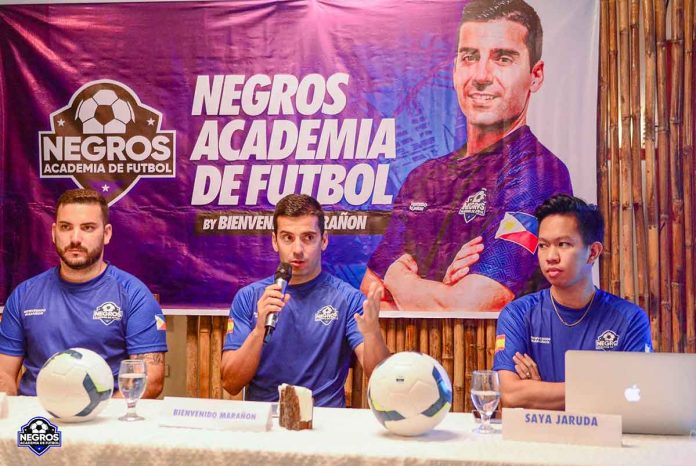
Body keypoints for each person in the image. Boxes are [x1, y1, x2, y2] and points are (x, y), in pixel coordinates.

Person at [361, 0, 572, 312]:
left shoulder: (538, 172)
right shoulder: (423, 177)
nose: (481, 75)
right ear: (455, 68)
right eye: (470, 57)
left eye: (503, 58)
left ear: (535, 75)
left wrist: (400, 280)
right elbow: (369, 289)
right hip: (410, 358)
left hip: (497, 357)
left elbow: (473, 303)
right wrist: (439, 292)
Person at [221, 194, 390, 407]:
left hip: (324, 425)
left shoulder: (348, 299)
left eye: (308, 237)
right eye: (287, 237)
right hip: (265, 424)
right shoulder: (248, 298)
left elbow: (381, 378)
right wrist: (258, 331)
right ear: (275, 241)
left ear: (324, 240)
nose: (298, 249)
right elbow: (230, 383)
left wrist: (373, 333)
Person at [0, 189, 167, 398]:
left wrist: (97, 419)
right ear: (53, 232)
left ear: (106, 234)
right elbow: (4, 374)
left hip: (106, 421)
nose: (75, 238)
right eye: (65, 227)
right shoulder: (23, 295)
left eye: (87, 228)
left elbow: (150, 380)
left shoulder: (134, 296)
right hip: (38, 423)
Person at [492, 194, 653, 410]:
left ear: (593, 252)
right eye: (543, 245)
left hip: (604, 440)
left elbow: (635, 398)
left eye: (563, 244)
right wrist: (605, 388)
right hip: (538, 440)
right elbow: (511, 394)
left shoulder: (630, 319)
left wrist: (541, 392)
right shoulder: (518, 314)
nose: (551, 256)